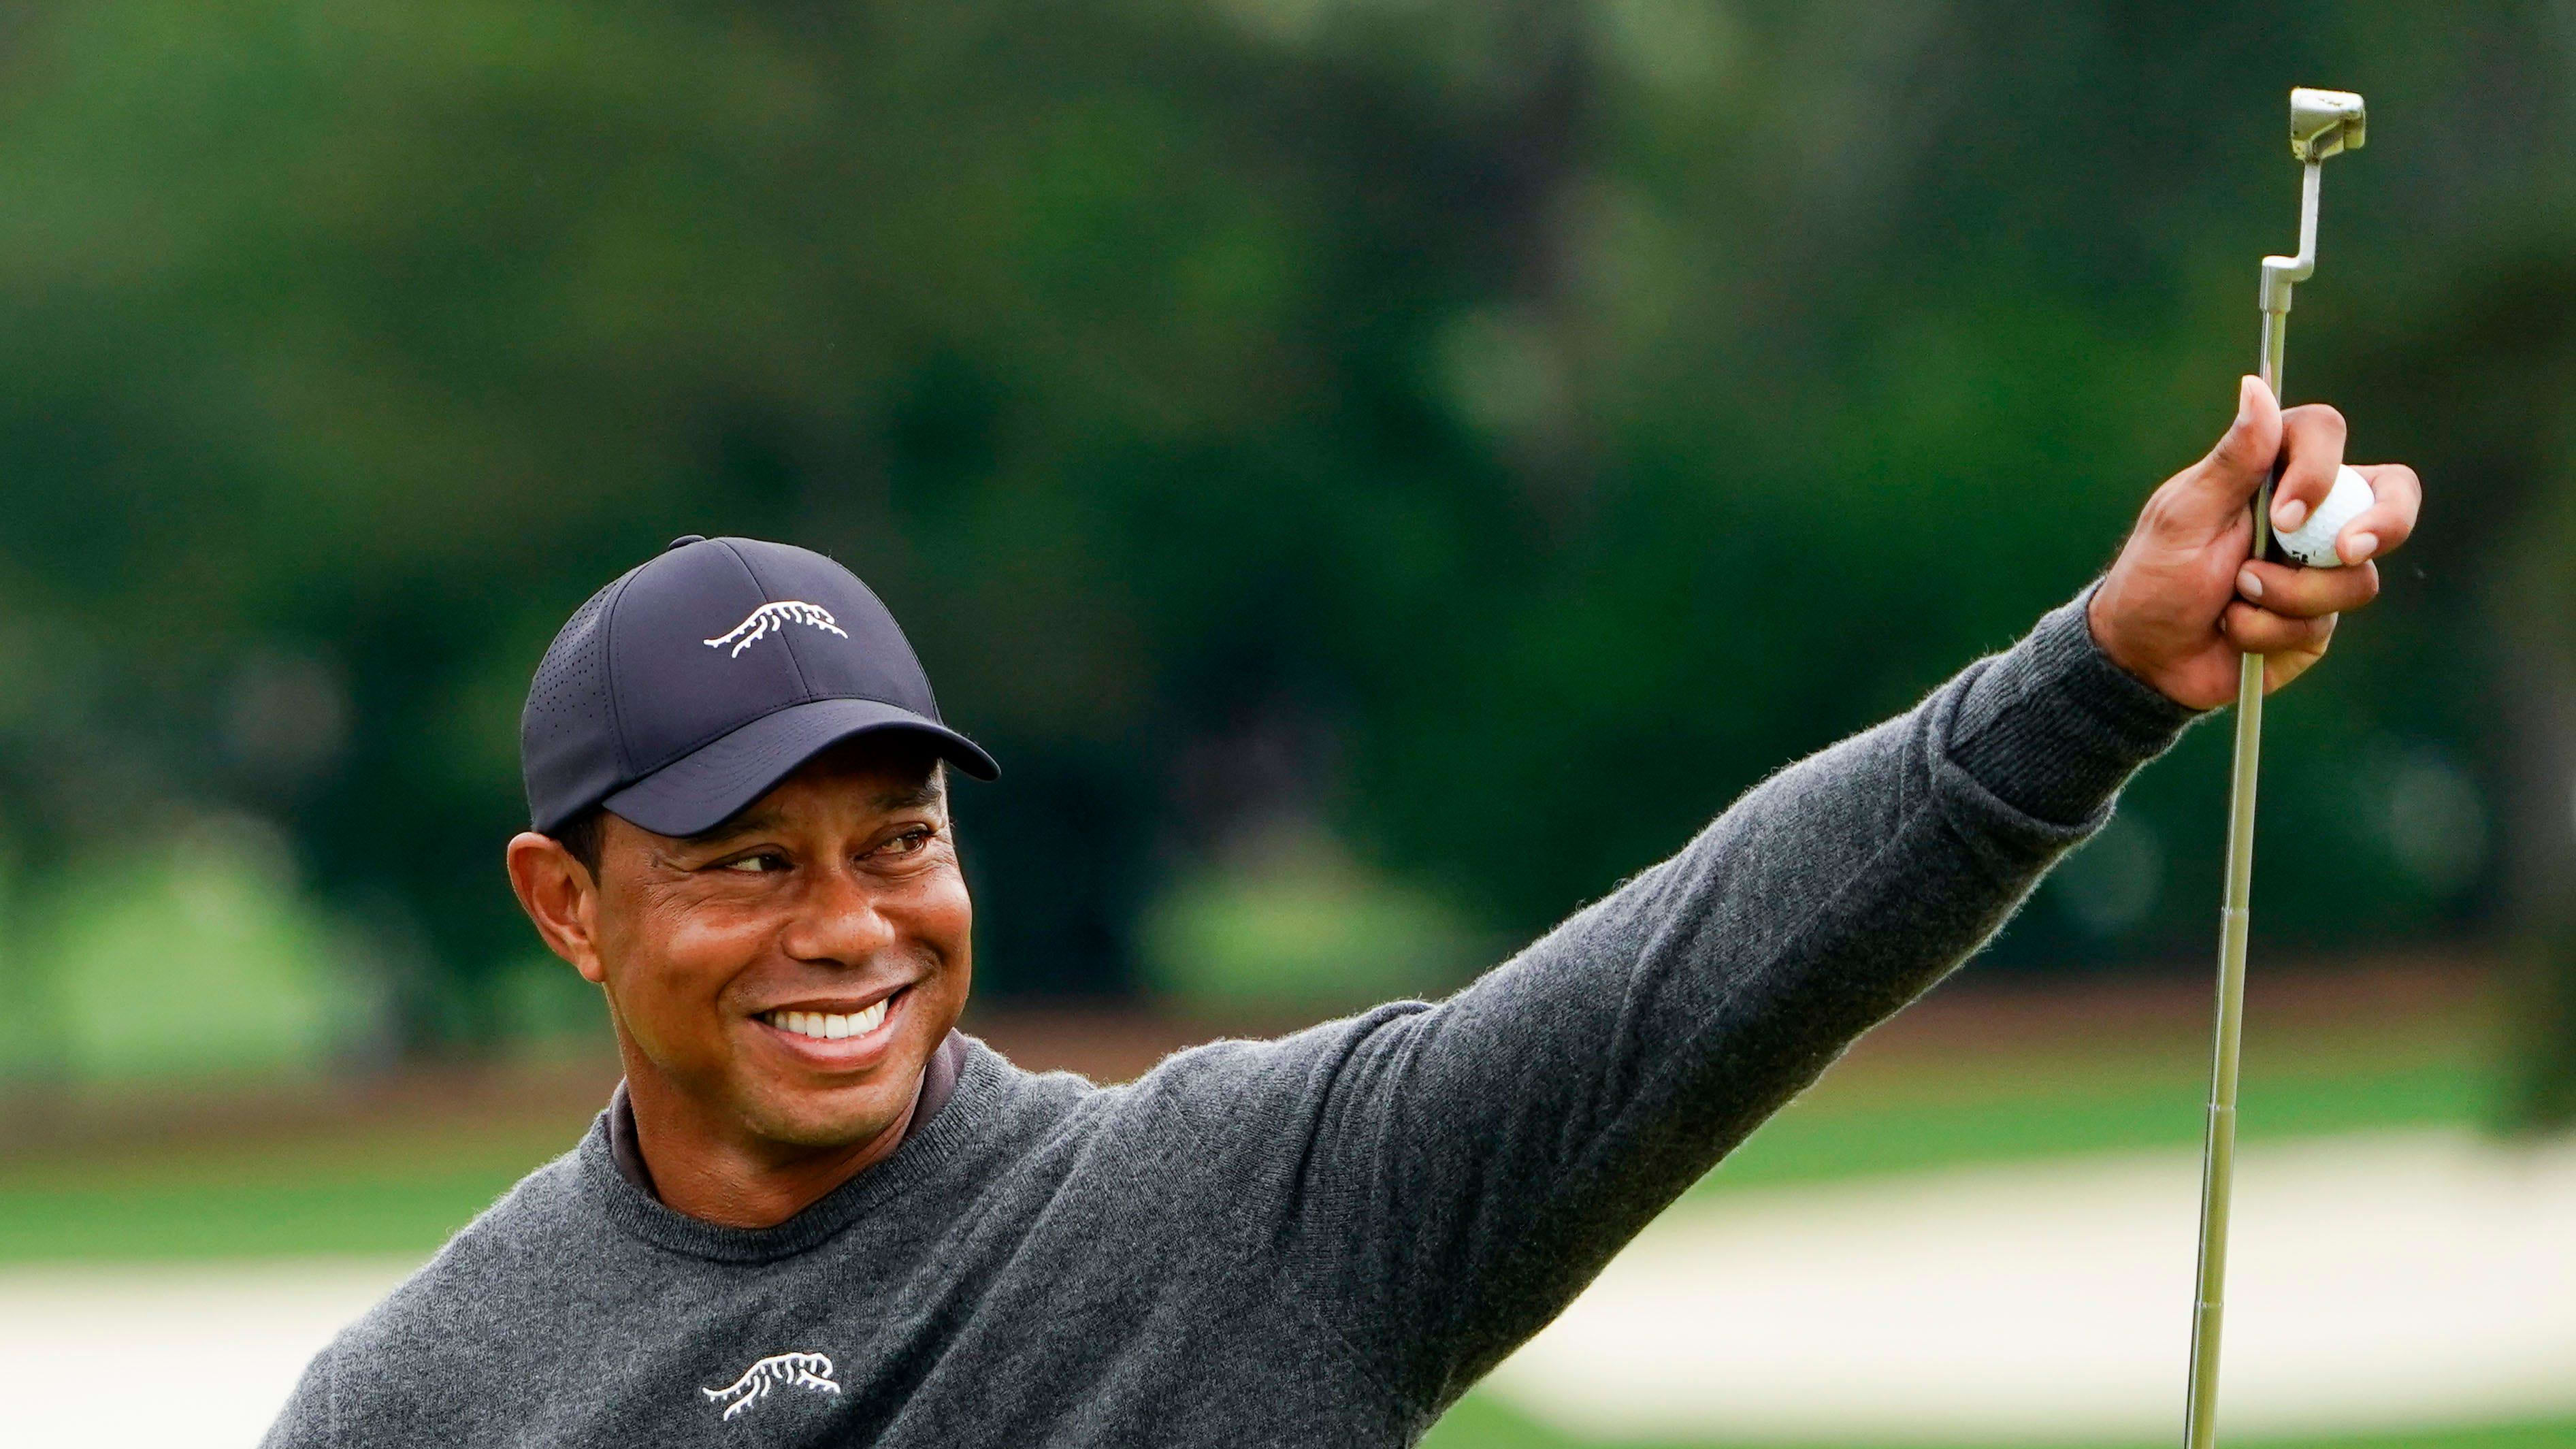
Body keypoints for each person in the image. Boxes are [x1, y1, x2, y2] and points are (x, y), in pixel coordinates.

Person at [264, 377, 2417, 1446]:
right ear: (567, 902)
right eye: (748, 864)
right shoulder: (426, 1403)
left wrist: (2106, 670)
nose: (848, 925)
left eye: (898, 839)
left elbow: (1695, 971)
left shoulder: (1243, 1208)